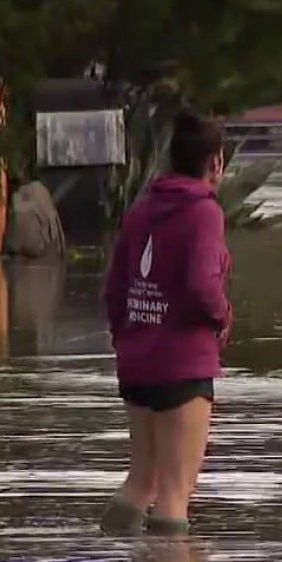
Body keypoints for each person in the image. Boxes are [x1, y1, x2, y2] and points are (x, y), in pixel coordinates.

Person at [100, 108, 234, 537]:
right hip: (183, 365)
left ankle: (112, 557)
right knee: (175, 492)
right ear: (215, 162)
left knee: (141, 480)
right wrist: (223, 316)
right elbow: (200, 284)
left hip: (137, 364)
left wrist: (128, 339)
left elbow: (114, 288)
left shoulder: (142, 209)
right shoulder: (204, 212)